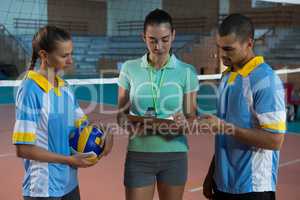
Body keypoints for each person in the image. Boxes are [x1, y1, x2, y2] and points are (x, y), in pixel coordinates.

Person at [12, 25, 113, 200]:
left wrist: (103, 141)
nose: (70, 61)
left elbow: (83, 128)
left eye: (71, 54)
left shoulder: (65, 87)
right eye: (64, 55)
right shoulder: (30, 90)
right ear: (44, 55)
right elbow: (23, 149)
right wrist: (70, 160)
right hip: (44, 189)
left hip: (69, 184)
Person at [193, 14, 286, 200]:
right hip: (223, 185)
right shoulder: (228, 76)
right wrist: (213, 173)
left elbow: (275, 140)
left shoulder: (265, 79)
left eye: (229, 49)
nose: (222, 55)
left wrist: (222, 126)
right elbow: (225, 134)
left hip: (253, 189)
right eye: (219, 47)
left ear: (249, 44)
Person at [117, 9, 199, 200]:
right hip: (139, 156)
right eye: (152, 39)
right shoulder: (129, 68)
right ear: (143, 37)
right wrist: (150, 123)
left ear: (173, 35)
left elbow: (191, 118)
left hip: (175, 156)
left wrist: (184, 122)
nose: (159, 46)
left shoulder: (187, 71)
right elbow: (121, 116)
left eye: (165, 39)